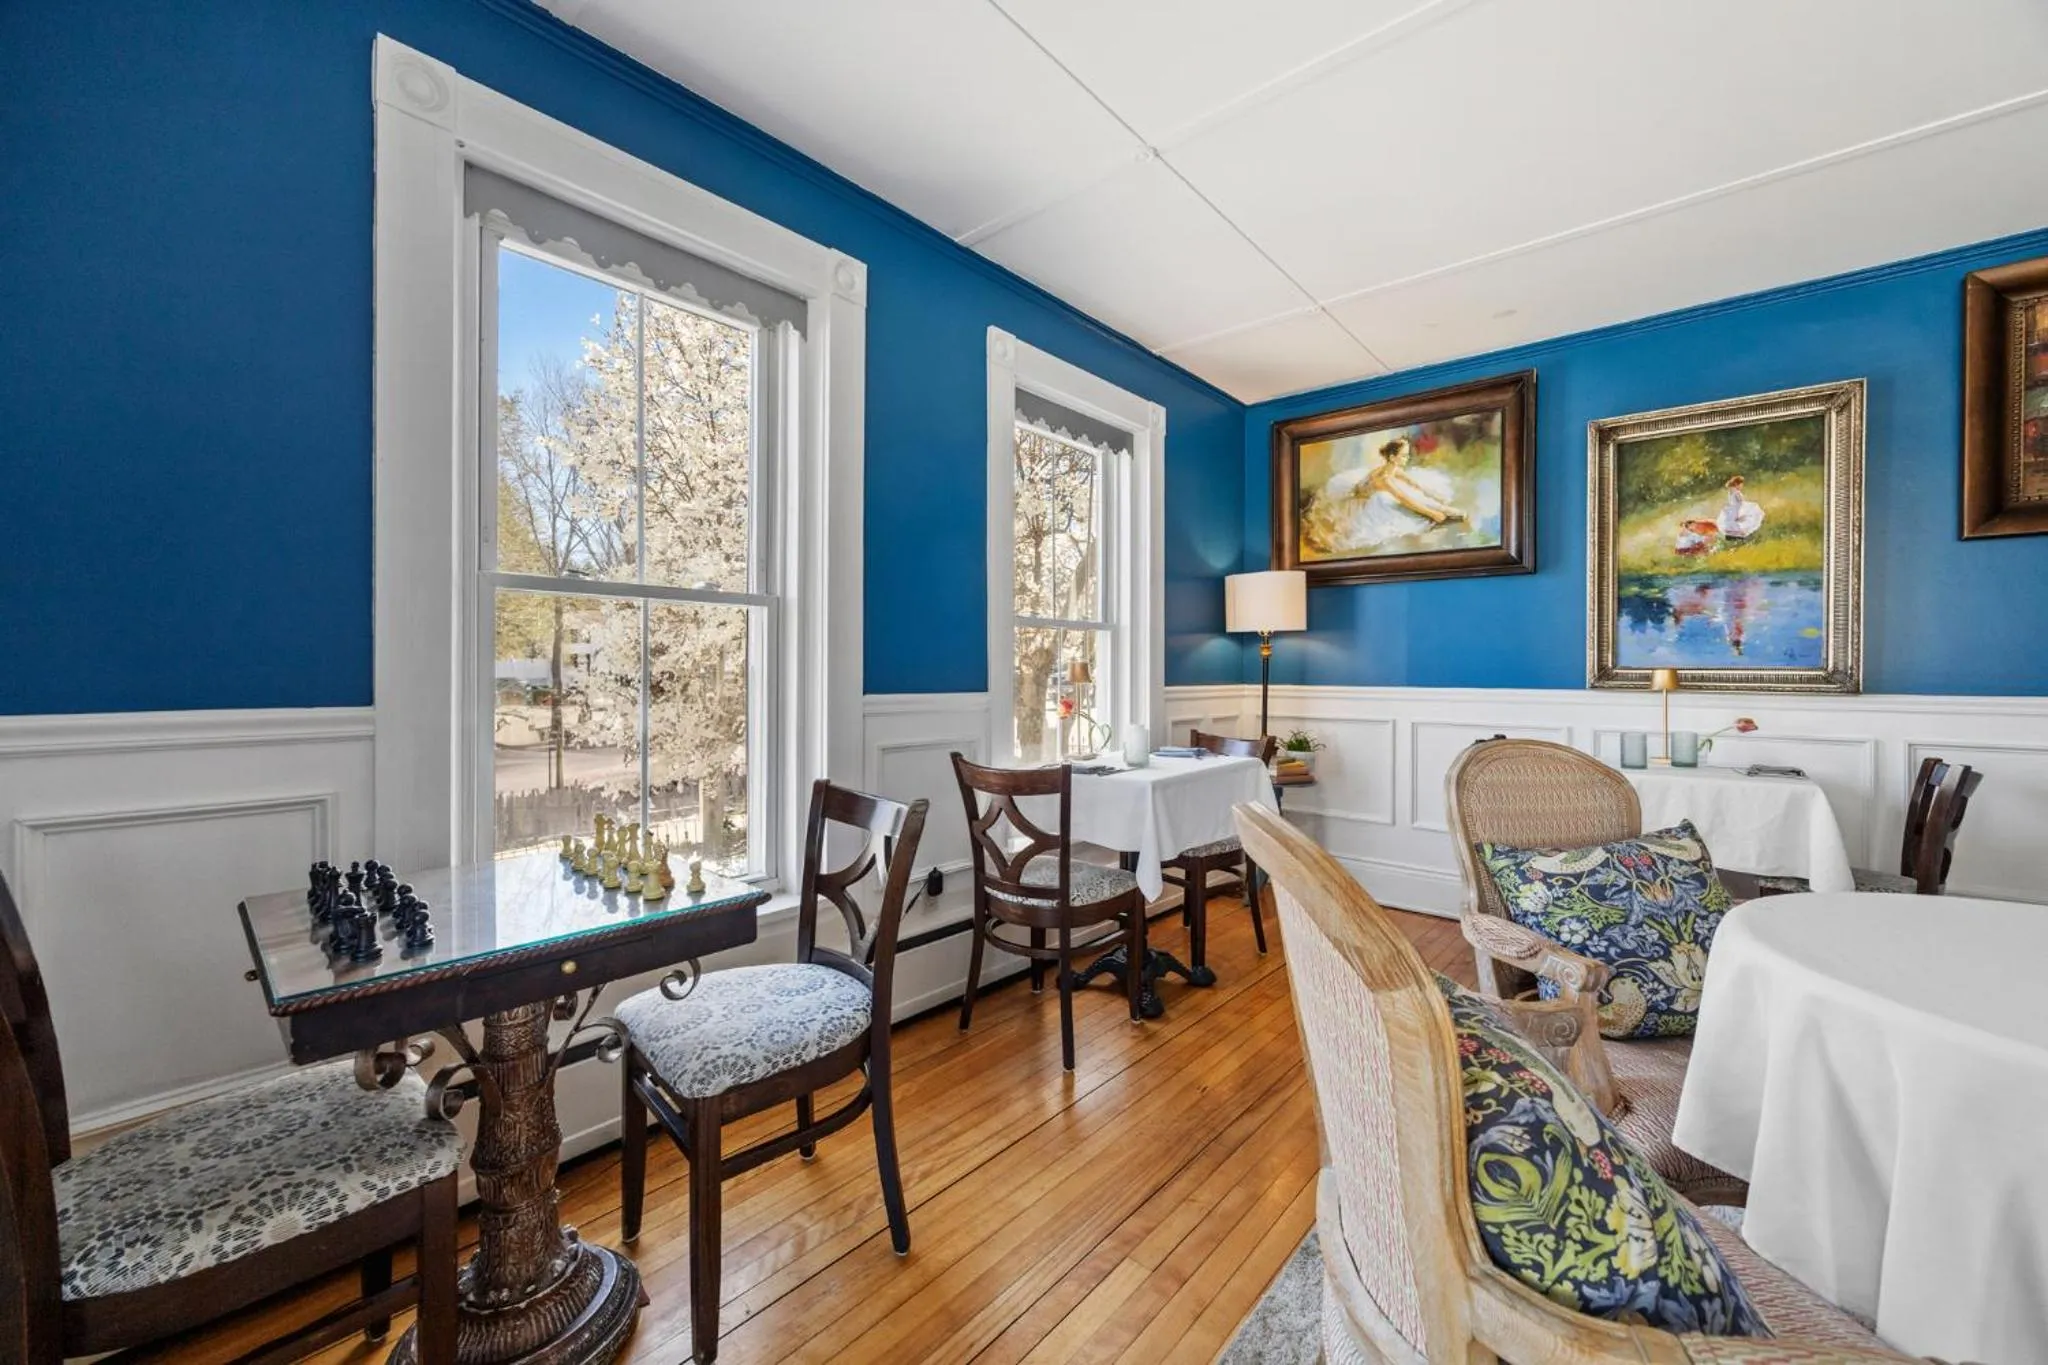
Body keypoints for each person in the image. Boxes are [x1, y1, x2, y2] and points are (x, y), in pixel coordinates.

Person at [1362, 437, 1466, 525]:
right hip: (1372, 506)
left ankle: (1443, 509)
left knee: (1418, 494)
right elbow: (1405, 499)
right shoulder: (1384, 479)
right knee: (1413, 505)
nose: (1408, 458)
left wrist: (1435, 496)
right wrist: (1433, 514)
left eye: (1407, 455)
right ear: (1392, 457)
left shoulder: (1394, 469)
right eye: (1404, 456)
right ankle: (1443, 511)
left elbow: (1415, 484)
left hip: (1391, 495)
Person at [1717, 475, 1764, 540]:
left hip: (1733, 510)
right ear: (1737, 484)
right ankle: (1739, 537)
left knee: (1733, 524)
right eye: (1741, 484)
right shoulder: (1737, 492)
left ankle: (1733, 537)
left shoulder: (1731, 491)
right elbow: (1742, 503)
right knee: (1751, 513)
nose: (1742, 486)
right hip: (1737, 510)